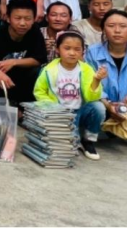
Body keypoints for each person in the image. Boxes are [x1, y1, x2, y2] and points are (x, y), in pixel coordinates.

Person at [86, 10, 127, 151]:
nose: (117, 30)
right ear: (103, 29)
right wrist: (107, 104)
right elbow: (88, 83)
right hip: (103, 102)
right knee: (94, 106)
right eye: (111, 26)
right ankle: (103, 131)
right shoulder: (92, 52)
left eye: (123, 26)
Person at [34, 31, 106, 160]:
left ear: (83, 51)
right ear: (58, 49)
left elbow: (92, 97)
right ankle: (74, 138)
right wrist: (53, 108)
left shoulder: (87, 69)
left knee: (98, 107)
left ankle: (88, 140)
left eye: (77, 49)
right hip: (60, 113)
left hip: (80, 109)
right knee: (69, 146)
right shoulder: (49, 70)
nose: (72, 53)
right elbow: (39, 92)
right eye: (67, 48)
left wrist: (96, 80)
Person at [0, 0, 47, 104]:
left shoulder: (35, 31)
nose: (22, 23)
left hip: (23, 78)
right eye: (17, 18)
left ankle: (26, 107)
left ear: (34, 19)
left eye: (27, 19)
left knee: (38, 72)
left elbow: (39, 59)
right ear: (8, 18)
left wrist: (13, 62)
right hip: (1, 77)